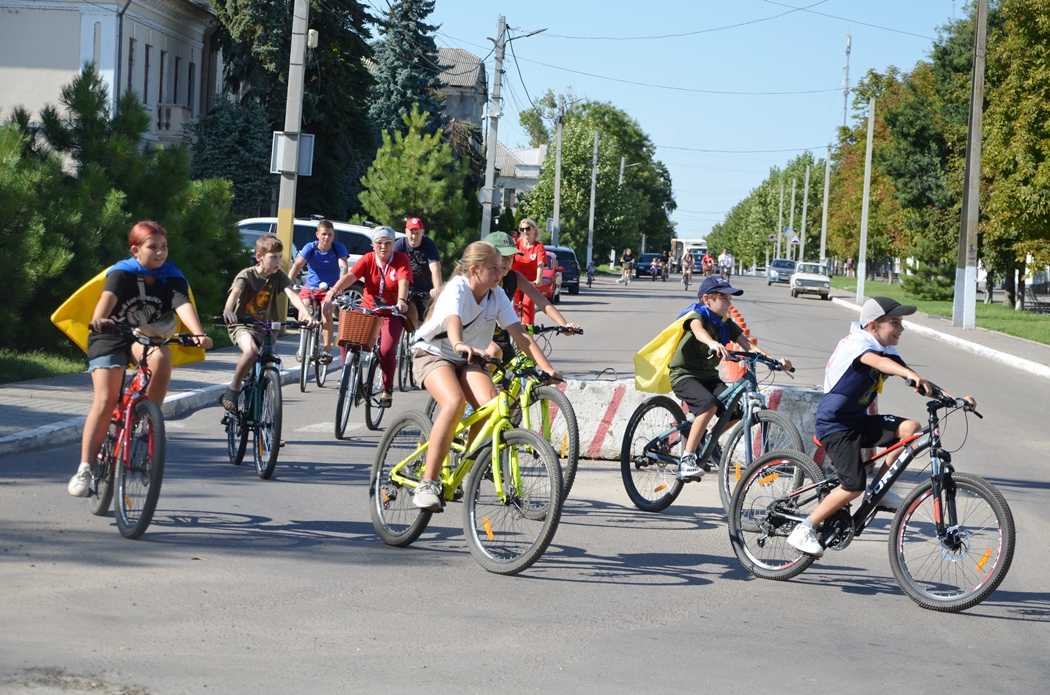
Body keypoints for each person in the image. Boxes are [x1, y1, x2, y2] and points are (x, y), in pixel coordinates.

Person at [785, 297, 963, 557]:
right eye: (895, 322)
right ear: (873, 325)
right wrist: (906, 374)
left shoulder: (883, 349)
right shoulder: (857, 343)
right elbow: (877, 363)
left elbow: (918, 380)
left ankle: (879, 489)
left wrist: (953, 398)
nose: (901, 328)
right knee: (852, 486)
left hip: (856, 421)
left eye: (901, 322)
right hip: (835, 425)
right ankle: (804, 528)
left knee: (908, 428)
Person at [409, 240, 562, 511]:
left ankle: (470, 470)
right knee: (454, 402)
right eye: (494, 268)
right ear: (476, 269)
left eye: (501, 268)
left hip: (467, 357)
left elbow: (519, 334)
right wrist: (458, 343)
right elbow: (453, 320)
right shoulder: (457, 287)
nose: (500, 273)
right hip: (433, 353)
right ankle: (427, 482)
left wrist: (546, 367)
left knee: (491, 406)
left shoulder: (496, 294)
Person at [69, 221, 213, 496]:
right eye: (152, 247)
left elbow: (182, 304)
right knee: (105, 398)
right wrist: (99, 319)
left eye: (164, 247)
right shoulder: (122, 273)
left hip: (143, 333)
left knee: (161, 360)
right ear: (135, 250)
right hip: (110, 334)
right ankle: (85, 468)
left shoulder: (172, 275)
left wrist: (197, 333)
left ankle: (149, 421)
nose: (160, 253)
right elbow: (107, 300)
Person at [667, 276, 793, 481]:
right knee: (708, 406)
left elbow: (747, 345)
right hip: (684, 374)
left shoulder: (726, 323)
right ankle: (686, 459)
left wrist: (774, 361)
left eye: (729, 298)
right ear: (708, 299)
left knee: (736, 411)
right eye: (724, 298)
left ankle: (706, 439)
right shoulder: (697, 315)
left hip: (708, 376)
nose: (729, 303)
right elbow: (698, 332)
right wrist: (712, 343)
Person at [221, 234, 316, 412]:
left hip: (266, 328)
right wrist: (228, 310)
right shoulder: (247, 275)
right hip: (242, 324)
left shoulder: (278, 276)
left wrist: (305, 313)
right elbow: (234, 294)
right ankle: (233, 389)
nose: (277, 262)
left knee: (269, 366)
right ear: (260, 257)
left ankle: (268, 434)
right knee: (250, 352)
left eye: (280, 258)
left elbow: (292, 295)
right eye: (273, 257)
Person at [323, 226, 410, 406]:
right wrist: (334, 291)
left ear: (394, 244)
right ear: (373, 245)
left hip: (391, 312)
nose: (383, 247)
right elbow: (351, 276)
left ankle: (387, 389)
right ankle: (350, 372)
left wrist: (401, 301)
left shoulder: (401, 260)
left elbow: (403, 281)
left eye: (388, 243)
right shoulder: (368, 259)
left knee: (386, 351)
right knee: (346, 337)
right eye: (379, 243)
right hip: (368, 310)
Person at [483, 231, 580, 362]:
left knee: (519, 368)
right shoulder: (479, 281)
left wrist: (564, 325)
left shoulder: (514, 277)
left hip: (501, 338)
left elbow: (541, 301)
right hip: (479, 339)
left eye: (511, 257)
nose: (507, 262)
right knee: (493, 356)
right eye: (503, 257)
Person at [288, 220, 348, 363]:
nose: (326, 237)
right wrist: (288, 281)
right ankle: (302, 345)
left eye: (330, 235)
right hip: (311, 287)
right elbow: (298, 264)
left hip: (330, 289)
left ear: (333, 236)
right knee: (305, 306)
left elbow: (343, 267)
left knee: (326, 311)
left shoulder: (338, 248)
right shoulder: (310, 247)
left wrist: (339, 287)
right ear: (317, 235)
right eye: (323, 234)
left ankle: (326, 350)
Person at [392, 216, 442, 332]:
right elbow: (390, 268)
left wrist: (437, 289)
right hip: (404, 287)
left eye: (417, 233)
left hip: (424, 288)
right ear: (406, 231)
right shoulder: (399, 245)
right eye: (411, 232)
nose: (414, 236)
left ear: (422, 232)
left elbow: (435, 268)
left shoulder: (429, 245)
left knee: (425, 321)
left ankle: (418, 341)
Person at [512, 218, 546, 325]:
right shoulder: (516, 244)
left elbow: (540, 265)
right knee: (511, 308)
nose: (525, 231)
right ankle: (510, 332)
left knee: (528, 306)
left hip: (530, 284)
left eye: (527, 228)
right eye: (522, 229)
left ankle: (529, 336)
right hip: (515, 281)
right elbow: (508, 260)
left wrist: (538, 279)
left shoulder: (538, 247)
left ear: (534, 230)